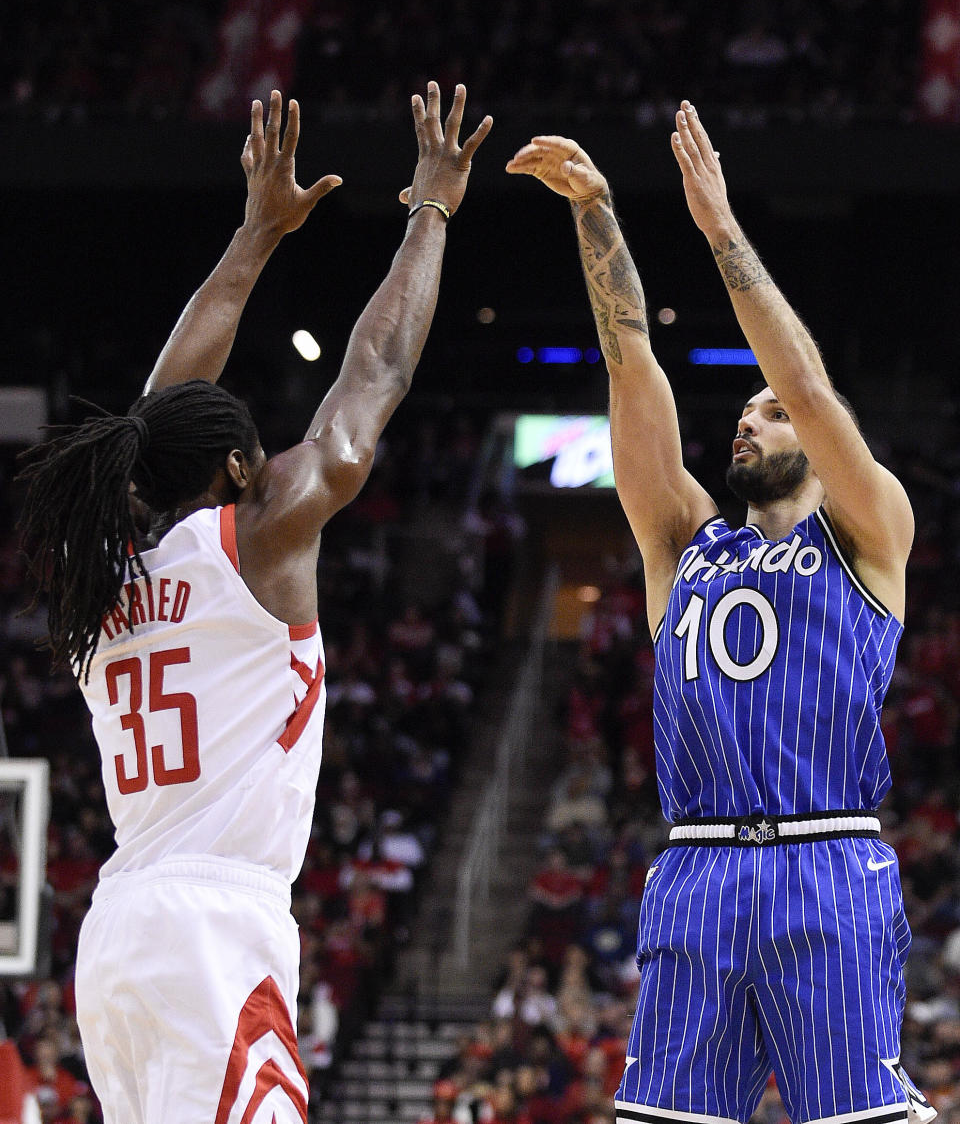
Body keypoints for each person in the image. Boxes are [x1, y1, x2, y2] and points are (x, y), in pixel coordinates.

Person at [18, 81, 491, 1124]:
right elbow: (371, 373)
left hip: (119, 937)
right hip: (212, 933)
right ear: (240, 467)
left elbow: (148, 419)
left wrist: (253, 239)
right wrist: (431, 211)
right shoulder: (256, 541)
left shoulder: (104, 575)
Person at [506, 103, 934, 1124]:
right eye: (742, 413)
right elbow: (630, 367)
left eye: (768, 411)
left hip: (826, 861)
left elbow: (809, 384)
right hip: (694, 866)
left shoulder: (868, 529)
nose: (750, 418)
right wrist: (599, 213)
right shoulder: (681, 543)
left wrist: (718, 228)